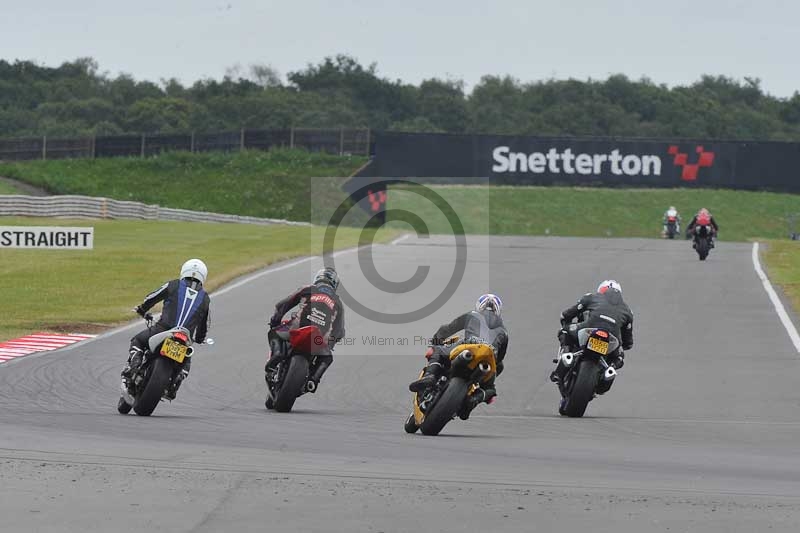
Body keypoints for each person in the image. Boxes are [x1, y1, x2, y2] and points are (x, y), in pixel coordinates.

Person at [122, 258, 211, 400]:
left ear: (184, 271)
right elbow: (203, 325)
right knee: (186, 361)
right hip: (184, 337)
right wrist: (200, 339)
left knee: (138, 340)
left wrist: (142, 309)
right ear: (203, 276)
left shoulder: (173, 285)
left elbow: (152, 297)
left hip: (163, 329)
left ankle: (134, 367)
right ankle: (175, 383)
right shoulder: (205, 298)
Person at [408, 294, 509, 420]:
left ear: (480, 305)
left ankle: (430, 376)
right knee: (491, 389)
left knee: (438, 351)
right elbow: (500, 357)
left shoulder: (472, 315)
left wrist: (436, 341)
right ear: (498, 309)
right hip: (489, 356)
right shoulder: (503, 330)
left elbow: (449, 328)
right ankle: (473, 400)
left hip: (470, 346)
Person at [267, 267, 344, 392]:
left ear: (317, 278)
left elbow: (282, 305)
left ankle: (277, 355)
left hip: (297, 328)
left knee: (274, 333)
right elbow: (339, 331)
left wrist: (275, 320)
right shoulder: (338, 302)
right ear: (335, 284)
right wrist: (330, 344)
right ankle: (313, 380)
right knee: (327, 357)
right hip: (318, 339)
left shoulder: (308, 289)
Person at [550, 280, 633, 389]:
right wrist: (621, 348)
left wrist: (566, 322)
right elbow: (628, 343)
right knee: (619, 357)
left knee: (564, 331)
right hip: (612, 339)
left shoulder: (591, 297)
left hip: (588, 330)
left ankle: (563, 364)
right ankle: (609, 371)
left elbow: (566, 315)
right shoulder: (628, 311)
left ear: (601, 290)